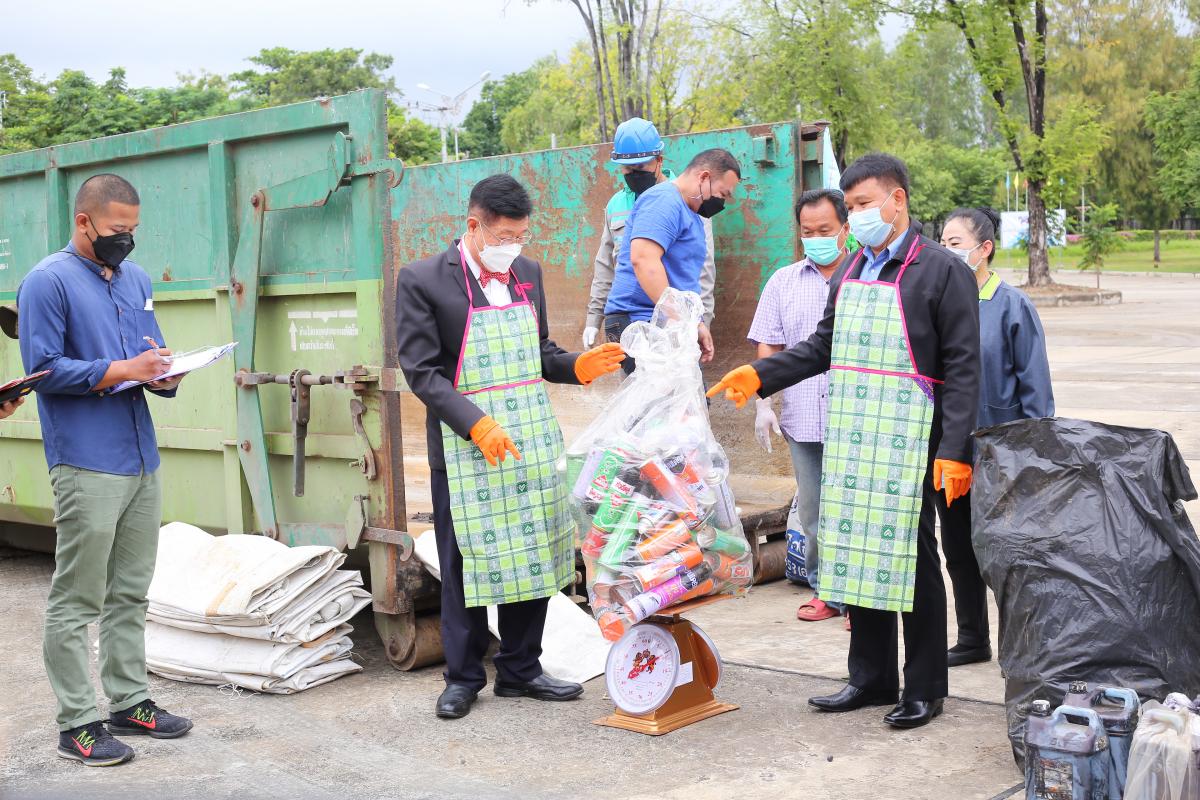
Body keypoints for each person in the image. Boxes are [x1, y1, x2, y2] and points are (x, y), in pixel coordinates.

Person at [708, 153, 980, 730]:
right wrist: (762, 375)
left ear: (897, 200)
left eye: (863, 205)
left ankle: (925, 686)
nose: (857, 217)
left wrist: (955, 450)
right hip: (854, 432)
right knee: (857, 552)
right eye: (850, 206)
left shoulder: (941, 270)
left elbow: (962, 367)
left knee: (911, 559)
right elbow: (821, 346)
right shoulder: (855, 266)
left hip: (911, 436)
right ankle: (871, 677)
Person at [396, 174, 626, 720]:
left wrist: (575, 365)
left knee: (534, 555)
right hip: (466, 448)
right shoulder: (424, 279)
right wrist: (475, 425)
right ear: (473, 226)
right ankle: (464, 677)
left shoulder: (527, 272)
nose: (513, 247)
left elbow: (539, 351)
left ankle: (522, 670)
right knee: (466, 564)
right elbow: (422, 372)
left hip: (528, 441)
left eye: (521, 236)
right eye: (503, 236)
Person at [18, 173, 193, 767]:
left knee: (130, 591)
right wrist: (122, 369)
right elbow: (42, 369)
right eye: (119, 230)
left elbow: (151, 353)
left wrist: (164, 374)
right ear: (85, 221)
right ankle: (77, 723)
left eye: (134, 230)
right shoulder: (47, 281)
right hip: (86, 458)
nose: (127, 240)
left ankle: (130, 701)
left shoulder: (136, 279)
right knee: (77, 597)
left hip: (140, 454)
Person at [936, 206, 1054, 668]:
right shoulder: (941, 302)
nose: (946, 252)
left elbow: (1036, 390)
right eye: (942, 243)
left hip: (1002, 453)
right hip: (950, 449)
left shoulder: (1011, 305)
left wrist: (1033, 457)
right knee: (959, 550)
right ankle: (971, 638)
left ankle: (1022, 644)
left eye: (955, 243)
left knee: (1008, 553)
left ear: (984, 249)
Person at [747, 188, 852, 624]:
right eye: (807, 232)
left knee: (858, 509)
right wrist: (763, 403)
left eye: (825, 230)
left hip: (858, 418)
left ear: (845, 229)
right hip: (805, 416)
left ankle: (864, 601)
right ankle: (826, 590)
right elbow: (769, 343)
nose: (816, 238)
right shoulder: (783, 281)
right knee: (814, 511)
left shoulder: (867, 275)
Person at [584, 117, 717, 354]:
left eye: (641, 168)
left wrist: (698, 324)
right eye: (629, 169)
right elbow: (606, 264)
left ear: (658, 161)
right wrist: (594, 318)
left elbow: (702, 270)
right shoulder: (616, 205)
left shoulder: (688, 201)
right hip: (629, 317)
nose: (635, 174)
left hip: (674, 319)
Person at [602, 147, 741, 371]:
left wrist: (695, 324)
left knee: (687, 402)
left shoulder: (691, 213)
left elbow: (683, 278)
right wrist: (681, 320)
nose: (721, 202)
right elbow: (644, 260)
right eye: (722, 193)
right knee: (666, 404)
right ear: (704, 178)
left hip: (665, 322)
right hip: (642, 320)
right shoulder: (664, 200)